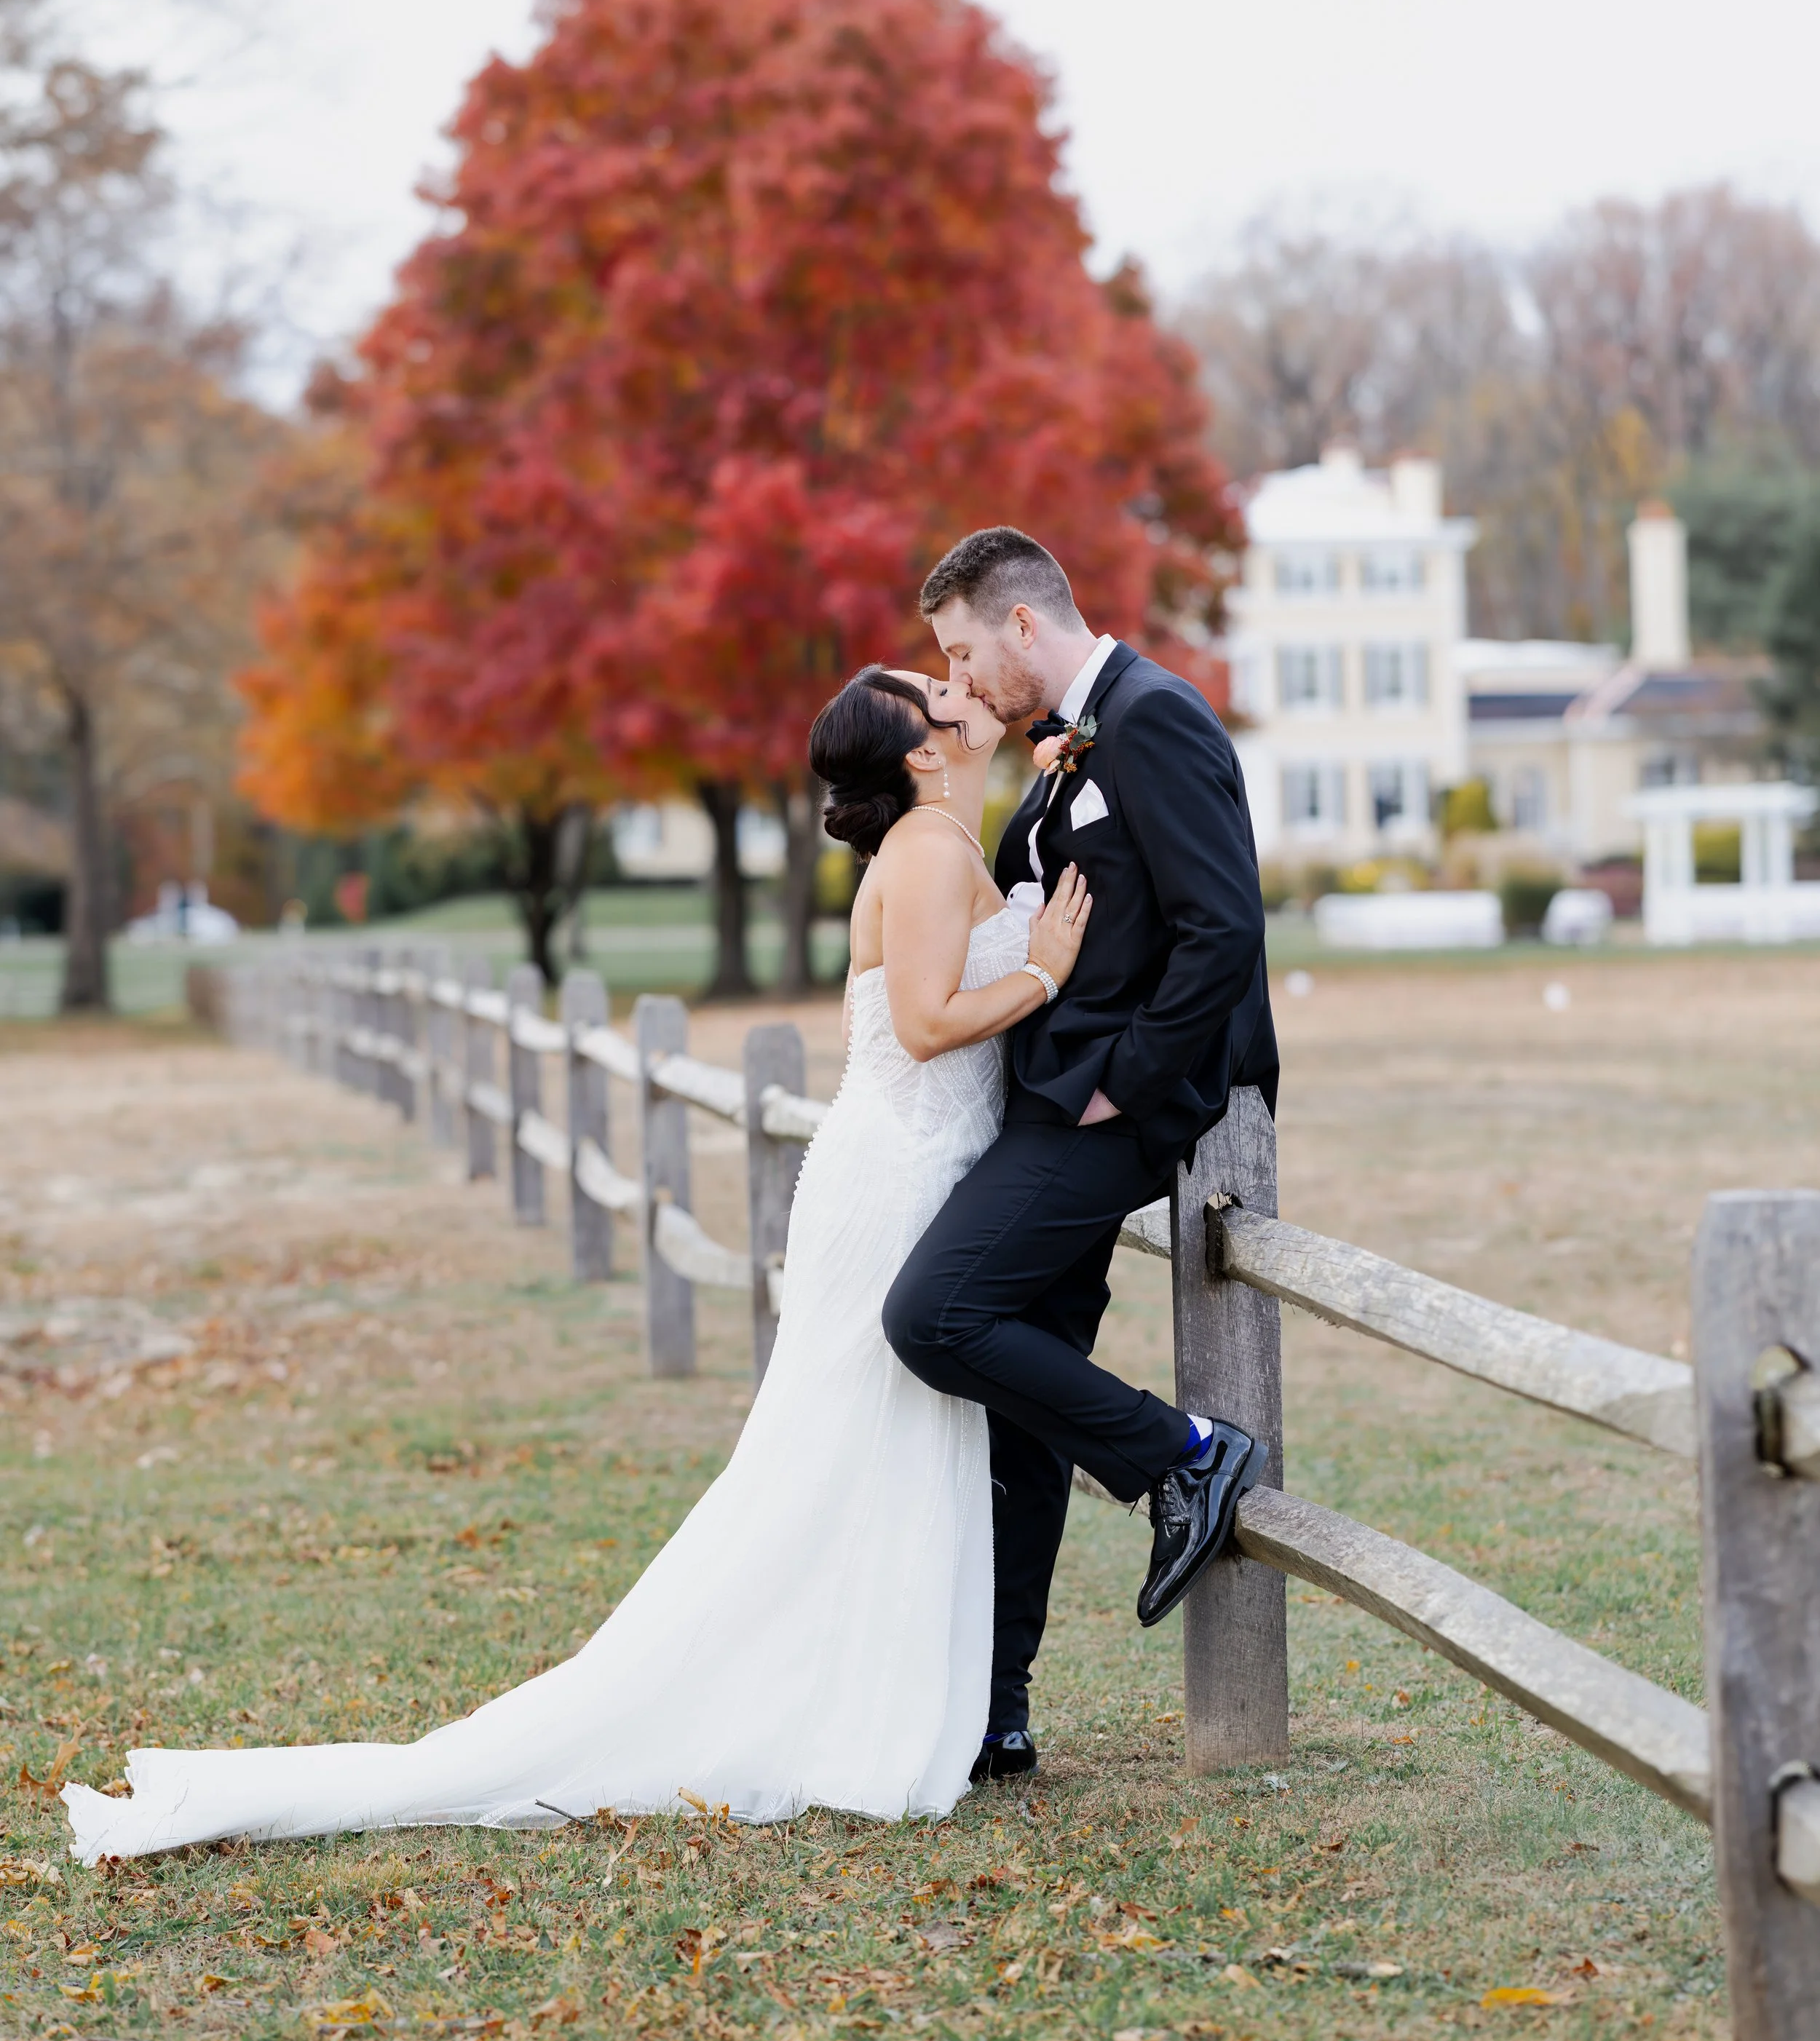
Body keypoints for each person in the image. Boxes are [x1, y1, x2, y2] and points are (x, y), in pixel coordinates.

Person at [60, 669, 1090, 1865]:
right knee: (850, 1447)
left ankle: (882, 1693)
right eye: (935, 688)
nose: (956, 685)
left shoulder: (945, 833)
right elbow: (921, 1025)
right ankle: (834, 1708)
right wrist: (1046, 971)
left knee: (879, 1448)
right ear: (917, 752)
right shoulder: (920, 849)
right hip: (902, 1174)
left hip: (919, 1170)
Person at [882, 527, 1278, 1784]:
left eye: (960, 651)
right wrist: (1041, 787)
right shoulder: (1072, 750)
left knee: (932, 1315)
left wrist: (1129, 1088)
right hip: (1046, 1101)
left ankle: (1189, 1457)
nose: (958, 678)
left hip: (1108, 1114)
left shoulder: (1157, 717)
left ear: (1021, 627)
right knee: (1023, 1398)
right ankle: (999, 1714)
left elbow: (1222, 928)